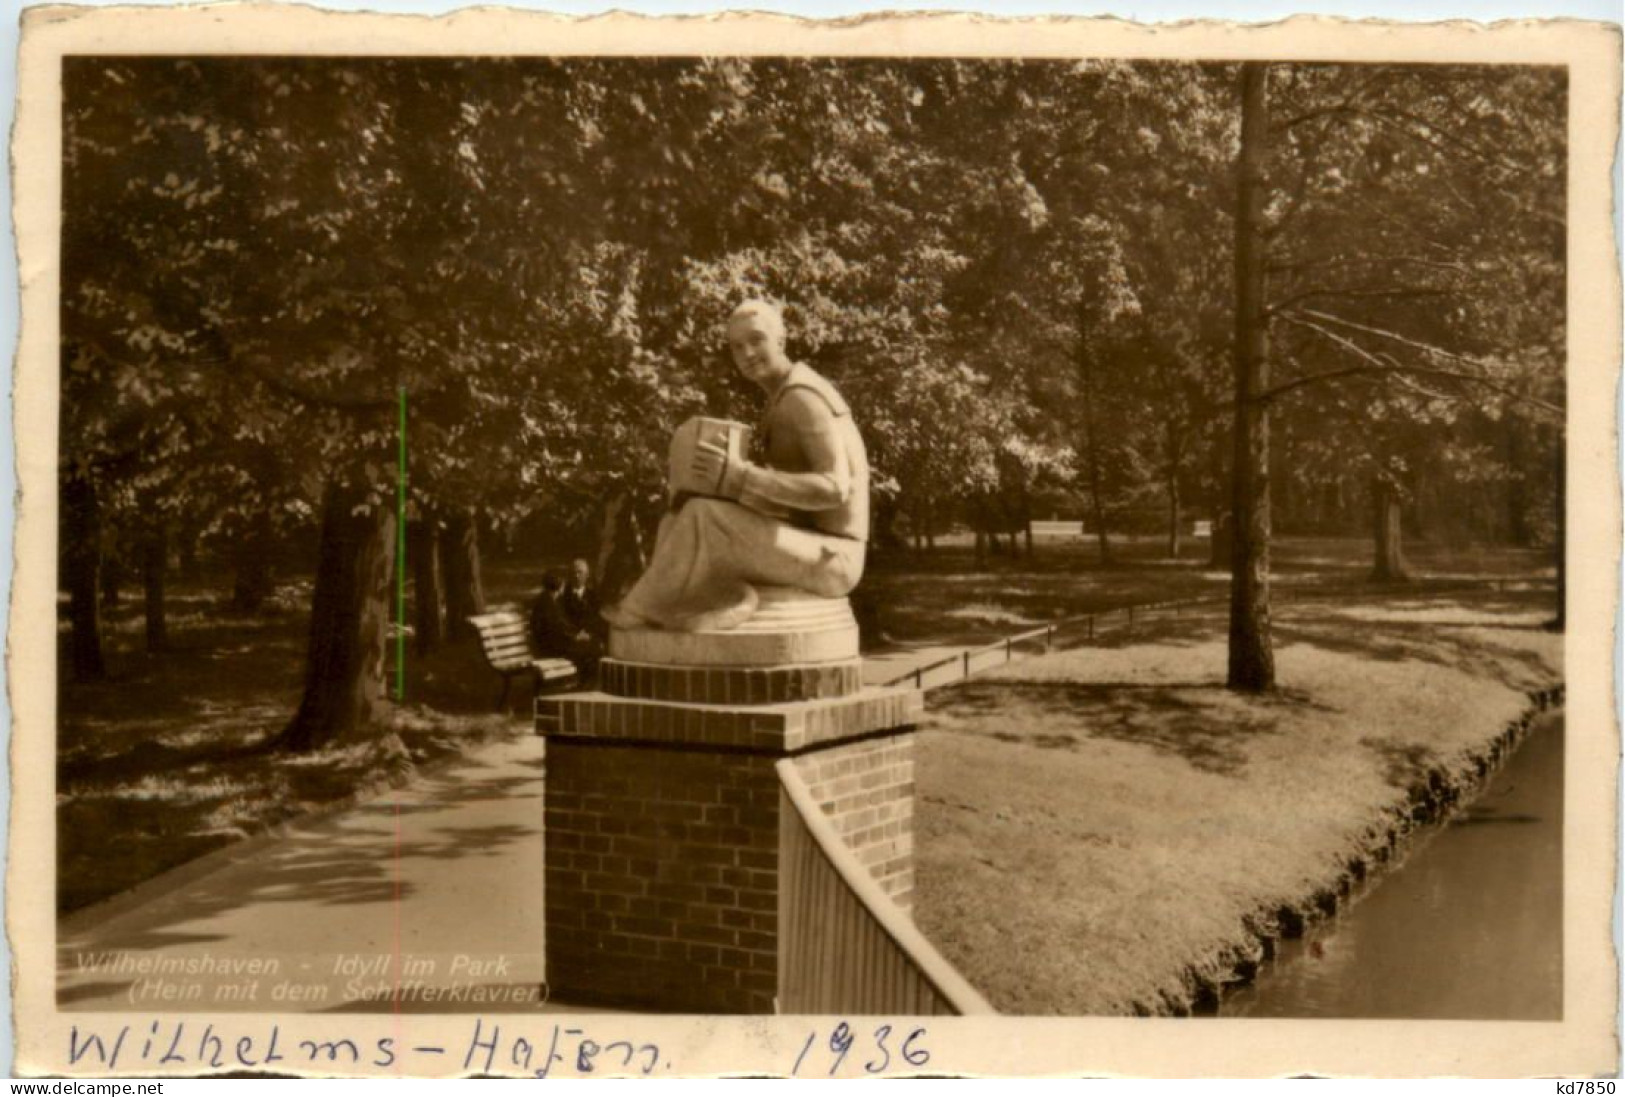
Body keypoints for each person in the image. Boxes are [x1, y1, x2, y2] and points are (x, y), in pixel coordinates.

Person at [604, 299, 869, 632]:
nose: (747, 353)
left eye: (756, 340)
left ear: (781, 341)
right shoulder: (780, 397)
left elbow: (834, 489)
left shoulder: (803, 398)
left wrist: (739, 476)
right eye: (736, 346)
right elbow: (787, 498)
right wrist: (723, 487)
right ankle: (696, 608)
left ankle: (638, 611)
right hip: (809, 544)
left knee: (704, 517)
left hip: (835, 559)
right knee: (676, 518)